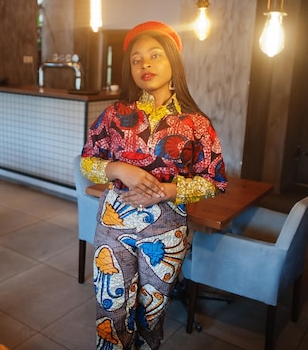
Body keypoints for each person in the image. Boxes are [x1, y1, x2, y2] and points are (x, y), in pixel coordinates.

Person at [80, 21, 228, 350]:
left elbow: (214, 180)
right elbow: (87, 161)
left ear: (173, 60)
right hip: (113, 226)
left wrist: (170, 191)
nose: (145, 64)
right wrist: (119, 168)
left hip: (166, 229)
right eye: (136, 59)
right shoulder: (114, 115)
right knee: (110, 310)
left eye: (155, 55)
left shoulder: (196, 123)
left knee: (153, 312)